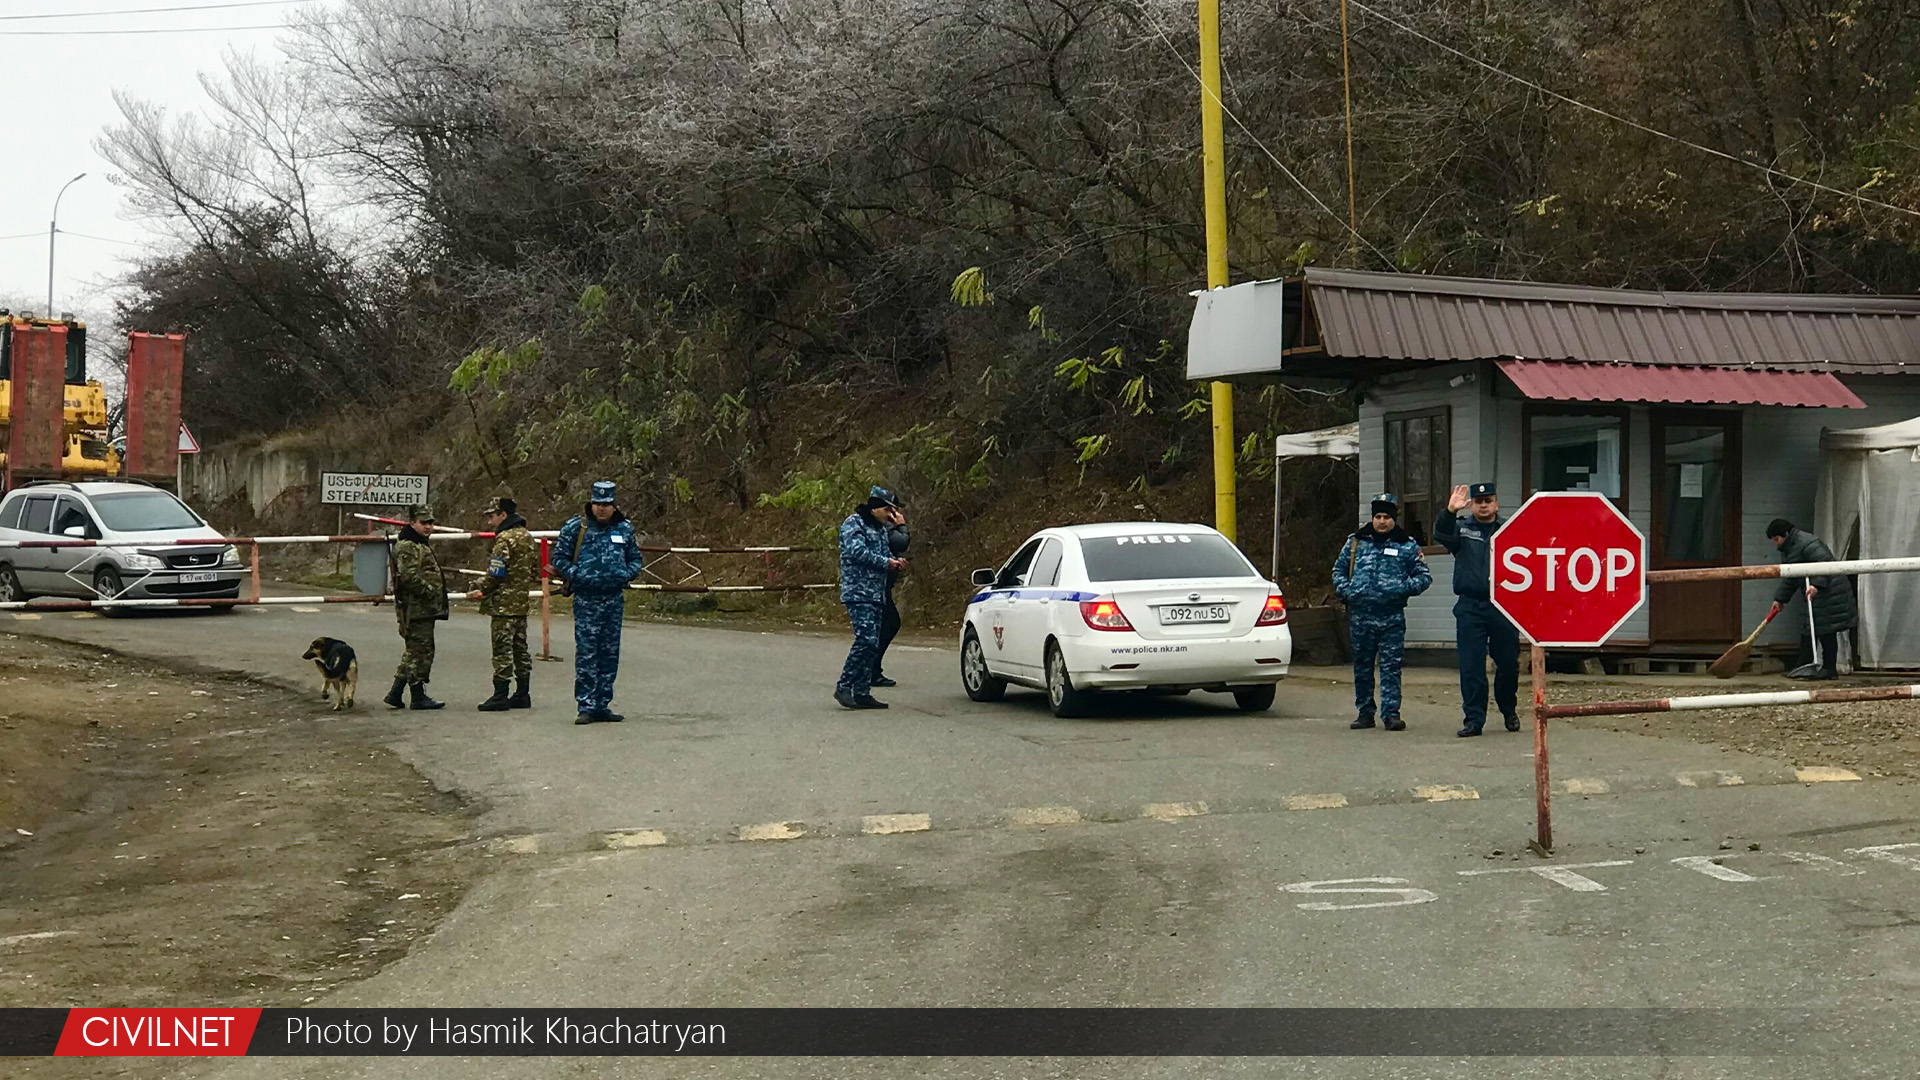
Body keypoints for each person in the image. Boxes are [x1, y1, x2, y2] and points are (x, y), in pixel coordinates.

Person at [1331, 493, 1432, 731]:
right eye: (1378, 516)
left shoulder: (1406, 544)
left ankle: (1391, 714)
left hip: (1391, 617)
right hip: (1361, 616)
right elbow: (1338, 571)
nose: (1382, 521)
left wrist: (1401, 589)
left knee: (1391, 667)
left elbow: (1424, 576)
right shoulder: (1356, 542)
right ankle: (1365, 713)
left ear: (1394, 518)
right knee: (1362, 667)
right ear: (1372, 517)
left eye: (1387, 517)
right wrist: (1347, 591)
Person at [550, 481, 644, 724]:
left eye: (606, 504)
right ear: (590, 504)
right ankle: (586, 704)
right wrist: (577, 574)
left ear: (614, 506)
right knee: (587, 653)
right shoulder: (576, 528)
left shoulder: (624, 529)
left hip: (613, 599)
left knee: (609, 653)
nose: (601, 509)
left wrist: (626, 573)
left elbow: (635, 558)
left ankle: (602, 703)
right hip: (587, 599)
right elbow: (559, 558)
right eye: (597, 504)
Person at [1435, 482, 1520, 737]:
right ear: (1471, 504)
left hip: (1504, 605)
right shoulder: (1461, 529)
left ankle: (1509, 710)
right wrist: (1449, 512)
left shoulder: (1510, 530)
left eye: (1488, 500)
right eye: (1478, 501)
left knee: (1507, 663)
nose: (1483, 505)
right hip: (1470, 605)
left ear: (1496, 503)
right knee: (1471, 665)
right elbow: (1441, 535)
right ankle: (1474, 719)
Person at [836, 488, 908, 709]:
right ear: (875, 507)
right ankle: (844, 686)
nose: (890, 514)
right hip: (858, 592)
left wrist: (896, 562)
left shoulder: (879, 529)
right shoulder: (854, 524)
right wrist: (886, 563)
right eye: (887, 510)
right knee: (865, 640)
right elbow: (855, 551)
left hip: (877, 593)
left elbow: (887, 551)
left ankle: (862, 692)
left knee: (872, 643)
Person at [1766, 518, 1856, 681]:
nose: (1776, 544)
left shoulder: (1807, 543)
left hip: (1830, 589)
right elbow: (1791, 576)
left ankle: (1829, 668)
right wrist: (1780, 599)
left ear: (1785, 535)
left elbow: (1825, 564)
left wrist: (1816, 585)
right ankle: (1804, 666)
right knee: (1809, 628)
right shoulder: (1791, 548)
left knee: (1827, 629)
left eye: (1777, 539)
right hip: (1818, 590)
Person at [471, 496, 537, 712]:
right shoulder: (527, 537)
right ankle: (522, 693)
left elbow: (497, 571)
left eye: (492, 516)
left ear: (503, 515)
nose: (490, 522)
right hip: (520, 602)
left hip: (504, 604)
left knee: (502, 650)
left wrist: (483, 588)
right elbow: (533, 569)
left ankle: (500, 694)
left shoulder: (504, 539)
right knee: (521, 649)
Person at [384, 505, 448, 711]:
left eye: (431, 523)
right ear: (412, 523)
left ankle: (396, 693)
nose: (428, 527)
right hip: (416, 608)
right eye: (424, 523)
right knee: (420, 651)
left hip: (422, 607)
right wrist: (431, 591)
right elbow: (409, 577)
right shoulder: (409, 545)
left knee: (415, 651)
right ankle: (417, 696)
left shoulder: (417, 543)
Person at [869, 485, 911, 688]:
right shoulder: (882, 526)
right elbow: (900, 542)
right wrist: (901, 525)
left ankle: (872, 670)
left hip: (880, 586)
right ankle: (871, 670)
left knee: (882, 626)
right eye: (890, 509)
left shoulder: (878, 525)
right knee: (888, 624)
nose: (892, 514)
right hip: (873, 588)